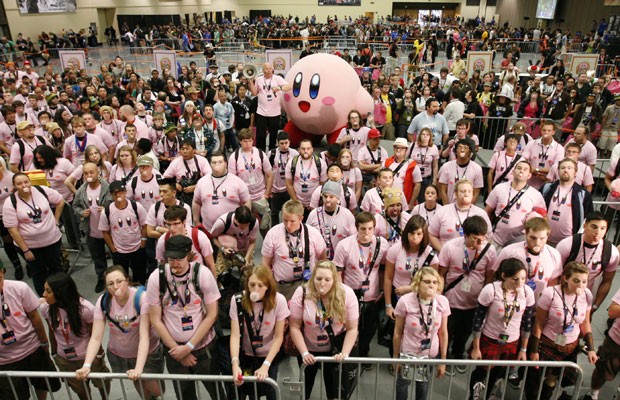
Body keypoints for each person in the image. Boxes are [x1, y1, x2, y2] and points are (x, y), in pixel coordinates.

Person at [146, 235, 221, 400]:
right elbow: (156, 320)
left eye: (179, 258)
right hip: (174, 351)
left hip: (204, 348)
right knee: (184, 395)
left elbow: (212, 314)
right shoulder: (157, 278)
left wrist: (188, 347)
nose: (175, 264)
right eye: (171, 259)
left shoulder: (202, 275)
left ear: (190, 255)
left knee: (217, 391)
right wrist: (178, 350)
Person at [76, 265, 163, 399]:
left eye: (119, 281)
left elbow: (144, 336)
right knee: (138, 383)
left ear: (127, 280)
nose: (115, 286)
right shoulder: (103, 301)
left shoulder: (141, 298)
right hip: (119, 353)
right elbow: (96, 337)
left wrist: (139, 368)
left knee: (157, 390)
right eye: (110, 283)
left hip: (147, 352)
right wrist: (87, 365)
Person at [525, 262, 597, 400]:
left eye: (584, 281)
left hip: (570, 347)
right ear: (565, 278)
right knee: (534, 381)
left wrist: (591, 349)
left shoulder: (586, 295)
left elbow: (585, 322)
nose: (581, 286)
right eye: (576, 281)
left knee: (552, 379)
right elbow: (538, 323)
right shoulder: (550, 293)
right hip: (547, 344)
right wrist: (534, 350)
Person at [288, 260, 359, 400]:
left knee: (335, 393)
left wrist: (344, 354)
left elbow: (352, 329)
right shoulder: (302, 293)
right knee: (305, 390)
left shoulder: (347, 294)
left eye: (327, 279)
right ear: (313, 278)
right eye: (318, 278)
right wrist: (304, 353)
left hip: (335, 350)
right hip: (308, 350)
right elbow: (294, 326)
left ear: (334, 280)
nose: (322, 283)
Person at [469, 258, 535, 400]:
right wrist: (476, 347)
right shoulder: (491, 290)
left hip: (512, 341)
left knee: (499, 372)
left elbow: (527, 323)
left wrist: (523, 349)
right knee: (481, 371)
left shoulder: (527, 293)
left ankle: (489, 395)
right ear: (504, 276)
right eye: (515, 279)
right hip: (489, 338)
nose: (520, 283)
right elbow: (477, 320)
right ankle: (474, 396)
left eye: (523, 279)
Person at [40, 272, 109, 400]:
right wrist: (54, 354)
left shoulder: (85, 309)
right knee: (79, 389)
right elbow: (51, 331)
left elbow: (95, 335)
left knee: (102, 383)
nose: (44, 295)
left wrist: (98, 356)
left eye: (48, 291)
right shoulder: (46, 308)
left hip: (89, 357)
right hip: (64, 359)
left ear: (61, 292)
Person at [333, 212, 388, 363]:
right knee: (350, 327)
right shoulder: (344, 245)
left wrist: (382, 290)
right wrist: (341, 295)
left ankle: (363, 354)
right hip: (351, 296)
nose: (367, 233)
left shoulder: (382, 244)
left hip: (373, 295)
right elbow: (338, 273)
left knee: (369, 328)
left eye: (370, 228)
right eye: (363, 229)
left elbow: (384, 269)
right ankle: (349, 354)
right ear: (357, 228)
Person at [0, 265, 61, 400]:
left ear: (3, 272)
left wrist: (45, 344)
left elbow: (35, 317)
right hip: (5, 360)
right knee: (15, 395)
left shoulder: (19, 288)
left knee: (42, 383)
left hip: (32, 348)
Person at [230, 265, 289, 400]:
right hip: (247, 355)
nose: (255, 289)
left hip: (269, 355)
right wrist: (235, 363)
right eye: (252, 285)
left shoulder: (279, 300)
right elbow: (234, 335)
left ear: (268, 286)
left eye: (260, 285)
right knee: (248, 392)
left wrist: (266, 365)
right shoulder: (238, 300)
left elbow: (279, 336)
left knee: (270, 390)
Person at [3, 172, 64, 295]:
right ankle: (45, 299)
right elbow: (12, 230)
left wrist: (56, 220)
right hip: (31, 247)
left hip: (52, 241)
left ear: (30, 182)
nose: (24, 185)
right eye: (19, 184)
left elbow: (60, 201)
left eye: (26, 182)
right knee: (38, 273)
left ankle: (62, 295)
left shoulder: (42, 191)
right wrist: (25, 250)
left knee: (56, 269)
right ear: (14, 186)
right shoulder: (11, 202)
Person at [393, 267, 449, 400]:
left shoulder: (442, 302)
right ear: (418, 283)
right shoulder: (405, 301)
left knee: (423, 386)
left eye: (435, 282)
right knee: (403, 384)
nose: (431, 285)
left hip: (429, 354)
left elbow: (443, 332)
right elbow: (397, 332)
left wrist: (443, 361)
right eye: (427, 281)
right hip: (408, 353)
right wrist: (395, 358)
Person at [384, 216, 438, 349]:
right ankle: (395, 358)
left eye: (419, 234)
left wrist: (410, 289)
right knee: (396, 331)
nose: (415, 237)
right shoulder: (396, 249)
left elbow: (434, 283)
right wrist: (388, 304)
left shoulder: (430, 255)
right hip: (397, 296)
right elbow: (388, 277)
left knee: (414, 331)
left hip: (420, 298)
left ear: (424, 235)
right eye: (412, 233)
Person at [556, 211, 620, 314]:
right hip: (561, 293)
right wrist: (555, 298)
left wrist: (594, 306)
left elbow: (607, 281)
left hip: (585, 298)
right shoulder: (567, 245)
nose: (598, 232)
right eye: (594, 227)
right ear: (585, 226)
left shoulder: (611, 252)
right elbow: (554, 275)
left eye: (602, 228)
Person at [262, 199, 326, 300]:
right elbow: (265, 264)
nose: (288, 225)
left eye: (292, 221)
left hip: (308, 284)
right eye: (285, 220)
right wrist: (271, 286)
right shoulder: (273, 234)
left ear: (301, 218)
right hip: (283, 287)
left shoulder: (313, 234)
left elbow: (323, 261)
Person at [485, 160, 546, 248]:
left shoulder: (536, 195)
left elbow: (543, 218)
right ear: (513, 172)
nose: (521, 171)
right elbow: (487, 211)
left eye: (525, 169)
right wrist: (487, 232)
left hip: (518, 243)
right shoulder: (499, 188)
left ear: (529, 175)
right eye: (519, 168)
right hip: (494, 239)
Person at [72, 162, 113, 293]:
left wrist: (107, 209)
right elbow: (75, 206)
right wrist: (81, 213)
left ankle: (118, 277)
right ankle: (101, 277)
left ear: (98, 172)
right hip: (92, 230)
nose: (89, 175)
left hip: (110, 230)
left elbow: (118, 203)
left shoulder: (108, 188)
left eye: (92, 172)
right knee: (97, 257)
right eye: (86, 173)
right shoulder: (81, 190)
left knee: (116, 254)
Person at [99, 180, 148, 285]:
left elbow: (144, 225)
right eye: (114, 193)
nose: (118, 195)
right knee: (121, 276)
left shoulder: (136, 207)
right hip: (119, 251)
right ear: (111, 194)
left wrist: (143, 242)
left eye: (120, 192)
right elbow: (105, 232)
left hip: (137, 248)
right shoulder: (107, 211)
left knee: (139, 275)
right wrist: (112, 248)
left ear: (125, 192)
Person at [229, 128, 273, 237]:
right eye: (244, 141)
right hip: (244, 198)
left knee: (264, 225)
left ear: (253, 141)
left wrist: (267, 194)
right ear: (240, 141)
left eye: (249, 140)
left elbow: (269, 175)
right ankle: (248, 250)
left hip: (260, 196)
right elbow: (232, 180)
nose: (247, 143)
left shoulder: (260, 154)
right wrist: (238, 198)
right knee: (244, 227)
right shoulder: (234, 157)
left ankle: (268, 246)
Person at [192, 150, 251, 230]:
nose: (217, 164)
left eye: (220, 162)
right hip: (208, 229)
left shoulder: (238, 182)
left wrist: (243, 222)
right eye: (214, 162)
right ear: (210, 164)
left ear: (226, 163)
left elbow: (246, 202)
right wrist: (196, 221)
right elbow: (196, 202)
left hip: (232, 229)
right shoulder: (202, 182)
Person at [429, 179, 492, 251]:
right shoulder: (443, 211)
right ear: (455, 194)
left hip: (472, 257)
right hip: (446, 256)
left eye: (469, 191)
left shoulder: (481, 214)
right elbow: (432, 235)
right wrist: (443, 251)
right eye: (463, 191)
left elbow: (488, 237)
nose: (466, 194)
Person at [542, 158, 593, 246]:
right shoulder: (547, 188)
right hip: (543, 239)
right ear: (558, 171)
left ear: (576, 172)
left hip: (568, 243)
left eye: (569, 168)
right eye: (562, 168)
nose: (565, 170)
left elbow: (588, 219)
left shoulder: (583, 194)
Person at [306, 181, 356, 261]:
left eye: (331, 197)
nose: (328, 200)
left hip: (340, 260)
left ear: (338, 197)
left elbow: (353, 240)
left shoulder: (347, 214)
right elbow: (307, 237)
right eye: (325, 196)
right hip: (319, 260)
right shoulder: (314, 214)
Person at [248, 62, 291, 151]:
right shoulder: (259, 79)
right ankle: (261, 153)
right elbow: (254, 93)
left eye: (269, 69)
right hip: (261, 112)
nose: (268, 71)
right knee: (260, 135)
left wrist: (279, 88)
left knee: (273, 134)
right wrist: (250, 82)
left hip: (275, 112)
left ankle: (272, 152)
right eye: (266, 69)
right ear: (263, 70)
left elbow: (289, 86)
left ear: (272, 69)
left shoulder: (277, 78)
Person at [285, 139, 327, 217]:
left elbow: (322, 186)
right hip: (297, 202)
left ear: (312, 149)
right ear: (299, 150)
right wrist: (296, 202)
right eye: (303, 149)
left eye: (308, 148)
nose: (305, 151)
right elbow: (288, 184)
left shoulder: (321, 163)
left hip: (315, 203)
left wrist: (314, 202)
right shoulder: (292, 163)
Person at [163, 139, 211, 205]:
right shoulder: (176, 162)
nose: (185, 151)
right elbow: (165, 177)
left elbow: (209, 177)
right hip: (182, 196)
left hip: (200, 193)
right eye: (182, 149)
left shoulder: (202, 160)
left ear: (194, 150)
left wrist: (196, 187)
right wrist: (174, 184)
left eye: (187, 149)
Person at [437, 139, 483, 205]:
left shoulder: (477, 168)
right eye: (460, 147)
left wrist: (468, 208)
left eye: (465, 148)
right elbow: (443, 190)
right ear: (455, 151)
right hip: (449, 205)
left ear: (470, 152)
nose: (462, 150)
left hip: (467, 207)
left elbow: (476, 193)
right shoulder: (446, 166)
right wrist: (447, 208)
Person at [407, 127, 439, 202]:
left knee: (423, 200)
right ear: (419, 135)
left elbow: (435, 166)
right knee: (411, 199)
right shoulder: (413, 145)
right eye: (423, 134)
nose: (425, 136)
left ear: (430, 137)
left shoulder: (434, 148)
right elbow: (405, 160)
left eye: (427, 135)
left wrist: (434, 181)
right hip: (412, 177)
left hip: (426, 178)